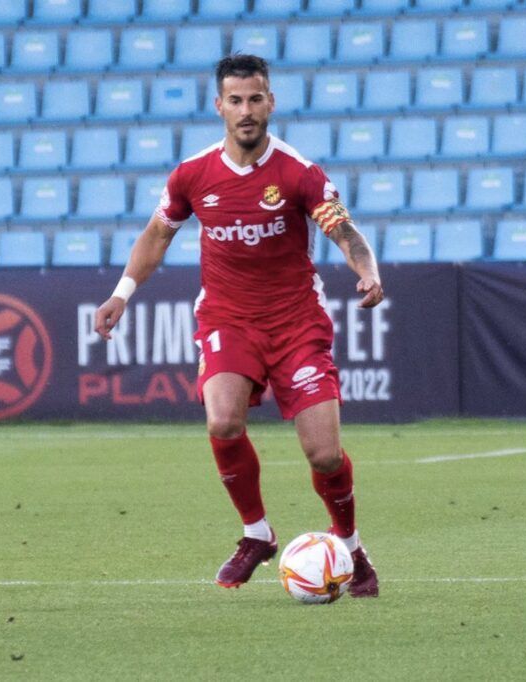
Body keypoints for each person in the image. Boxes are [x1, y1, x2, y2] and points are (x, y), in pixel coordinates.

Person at [95, 55, 382, 597]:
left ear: (270, 102)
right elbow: (157, 236)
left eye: (255, 99)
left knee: (322, 453)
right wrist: (121, 294)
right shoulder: (192, 175)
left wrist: (366, 271)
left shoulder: (299, 172)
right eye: (235, 100)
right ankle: (256, 533)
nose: (246, 111)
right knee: (222, 420)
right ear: (219, 106)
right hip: (228, 317)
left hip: (297, 322)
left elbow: (343, 230)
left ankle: (350, 543)